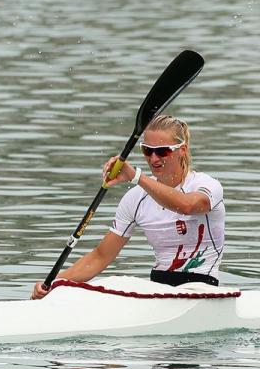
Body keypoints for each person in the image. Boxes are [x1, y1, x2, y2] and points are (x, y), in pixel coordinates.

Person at [33, 115, 224, 299]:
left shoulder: (206, 186)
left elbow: (188, 206)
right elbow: (101, 256)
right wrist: (53, 282)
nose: (154, 159)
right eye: (147, 150)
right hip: (157, 287)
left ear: (182, 150)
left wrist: (137, 177)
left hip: (201, 286)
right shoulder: (135, 199)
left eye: (163, 151)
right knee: (114, 282)